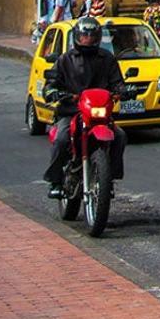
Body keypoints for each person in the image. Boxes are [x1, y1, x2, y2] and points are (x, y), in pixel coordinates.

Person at [43, 16, 127, 197]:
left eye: (91, 35)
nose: (87, 39)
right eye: (84, 35)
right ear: (77, 37)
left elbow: (117, 82)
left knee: (119, 136)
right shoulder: (65, 60)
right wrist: (53, 92)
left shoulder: (107, 59)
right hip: (72, 112)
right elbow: (51, 83)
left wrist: (122, 91)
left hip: (99, 114)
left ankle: (109, 178)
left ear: (97, 37)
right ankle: (55, 181)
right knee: (62, 139)